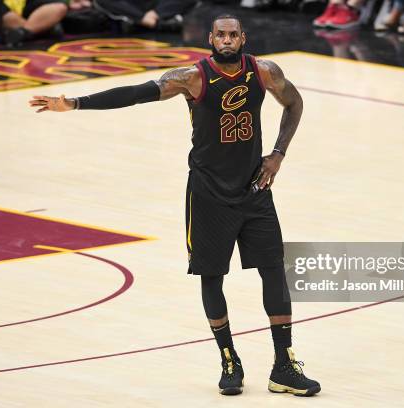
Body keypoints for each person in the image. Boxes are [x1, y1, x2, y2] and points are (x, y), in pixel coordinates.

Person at [28, 14, 321, 397]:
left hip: (254, 188)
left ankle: (284, 364)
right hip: (209, 193)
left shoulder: (264, 71)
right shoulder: (192, 78)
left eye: (234, 34)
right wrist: (76, 103)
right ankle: (229, 358)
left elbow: (294, 103)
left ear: (243, 37)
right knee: (212, 276)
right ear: (211, 38)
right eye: (221, 35)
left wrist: (278, 153)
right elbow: (135, 94)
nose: (228, 40)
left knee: (274, 270)